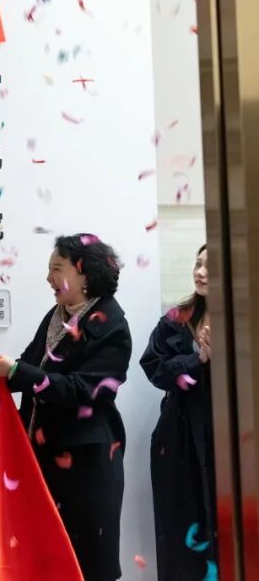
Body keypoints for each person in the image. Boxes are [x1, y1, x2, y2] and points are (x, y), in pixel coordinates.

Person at [0, 233, 131, 581]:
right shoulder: (57, 314)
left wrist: (18, 372)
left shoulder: (113, 327)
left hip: (87, 465)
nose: (48, 278)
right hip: (43, 459)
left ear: (85, 274)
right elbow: (30, 365)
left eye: (57, 269)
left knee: (86, 564)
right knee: (45, 563)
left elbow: (82, 390)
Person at [141, 244, 216, 579]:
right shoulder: (176, 319)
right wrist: (197, 359)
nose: (200, 273)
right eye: (197, 264)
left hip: (230, 438)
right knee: (182, 533)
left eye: (210, 267)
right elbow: (155, 369)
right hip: (180, 438)